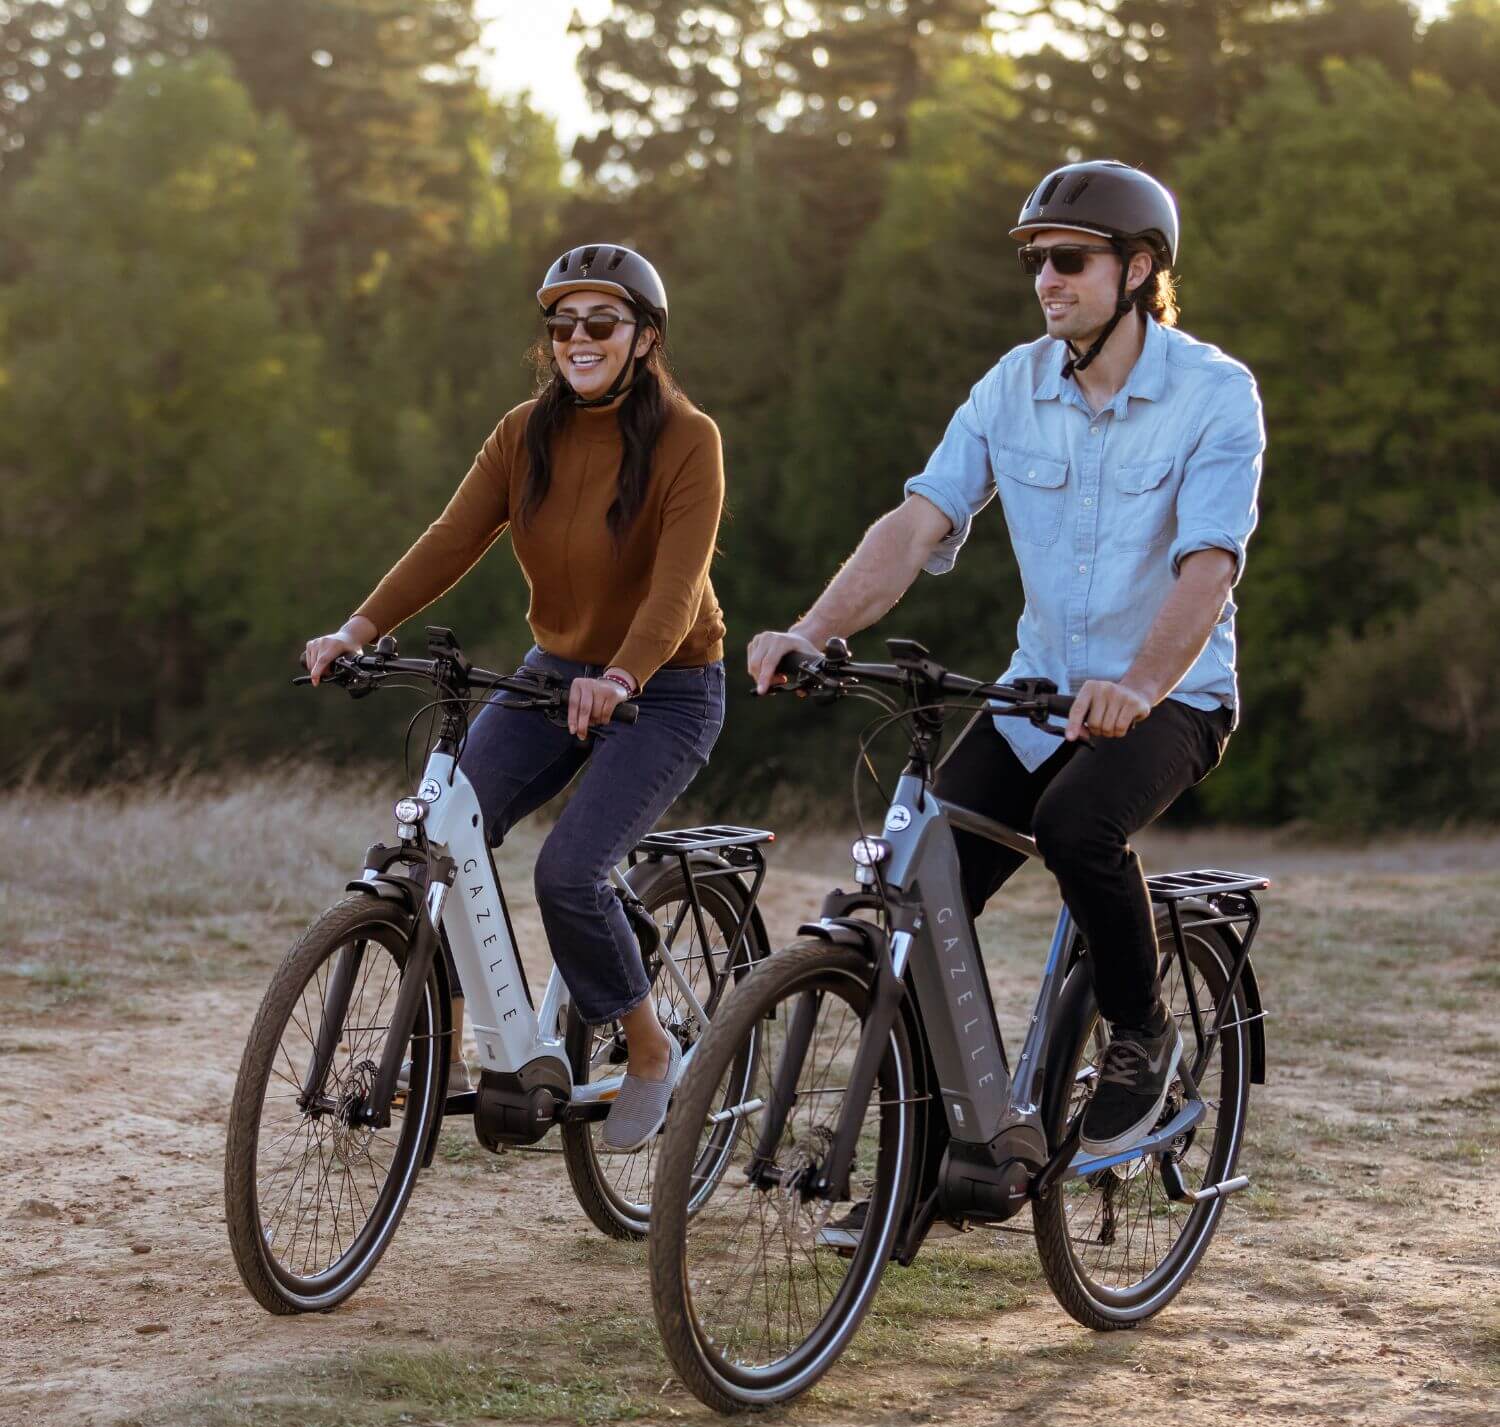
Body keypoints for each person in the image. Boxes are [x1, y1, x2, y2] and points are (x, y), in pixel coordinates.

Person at [749, 161, 1265, 1158]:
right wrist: (812, 629)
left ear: (1141, 267)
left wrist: (1141, 685)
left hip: (1171, 694)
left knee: (1079, 824)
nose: (1046, 281)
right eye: (1035, 261)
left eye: (1069, 260)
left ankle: (1138, 1036)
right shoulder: (1011, 386)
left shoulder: (1214, 394)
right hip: (1038, 696)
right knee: (924, 874)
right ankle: (943, 1141)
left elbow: (1207, 568)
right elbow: (917, 522)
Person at [305, 244, 727, 1152]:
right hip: (550, 674)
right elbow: (451, 538)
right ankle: (452, 1051)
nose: (578, 339)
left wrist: (622, 676)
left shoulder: (689, 439)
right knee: (433, 837)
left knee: (570, 872)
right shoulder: (522, 432)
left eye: (601, 323)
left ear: (644, 338)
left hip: (669, 685)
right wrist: (359, 629)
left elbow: (677, 588)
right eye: (563, 324)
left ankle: (650, 1049)